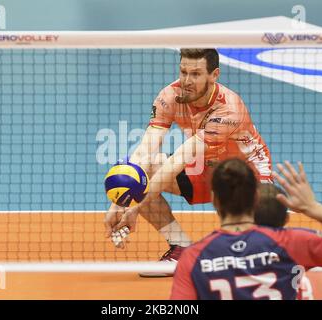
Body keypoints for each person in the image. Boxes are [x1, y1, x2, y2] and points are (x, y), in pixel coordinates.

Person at [104, 49, 272, 276]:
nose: (187, 80)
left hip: (247, 177)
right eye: (183, 72)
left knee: (259, 255)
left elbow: (179, 160)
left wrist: (135, 206)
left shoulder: (228, 109)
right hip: (208, 168)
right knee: (146, 169)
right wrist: (121, 200)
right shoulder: (170, 96)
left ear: (214, 75)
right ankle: (181, 250)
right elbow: (144, 152)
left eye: (195, 74)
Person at [170, 159, 322, 300]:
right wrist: (313, 208)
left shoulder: (193, 257)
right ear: (256, 198)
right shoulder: (291, 243)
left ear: (214, 199)